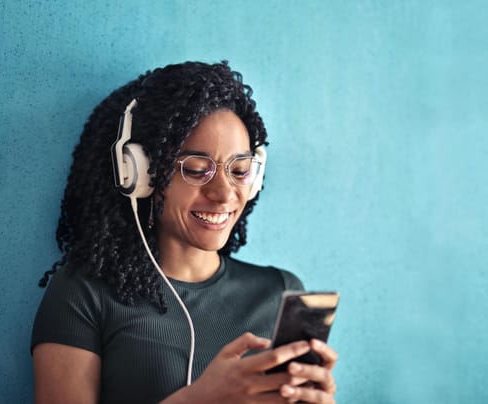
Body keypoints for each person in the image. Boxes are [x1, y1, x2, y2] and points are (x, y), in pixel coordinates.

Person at [31, 61, 338, 403]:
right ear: (139, 174)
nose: (223, 194)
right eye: (196, 169)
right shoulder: (85, 293)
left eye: (239, 170)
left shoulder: (281, 292)